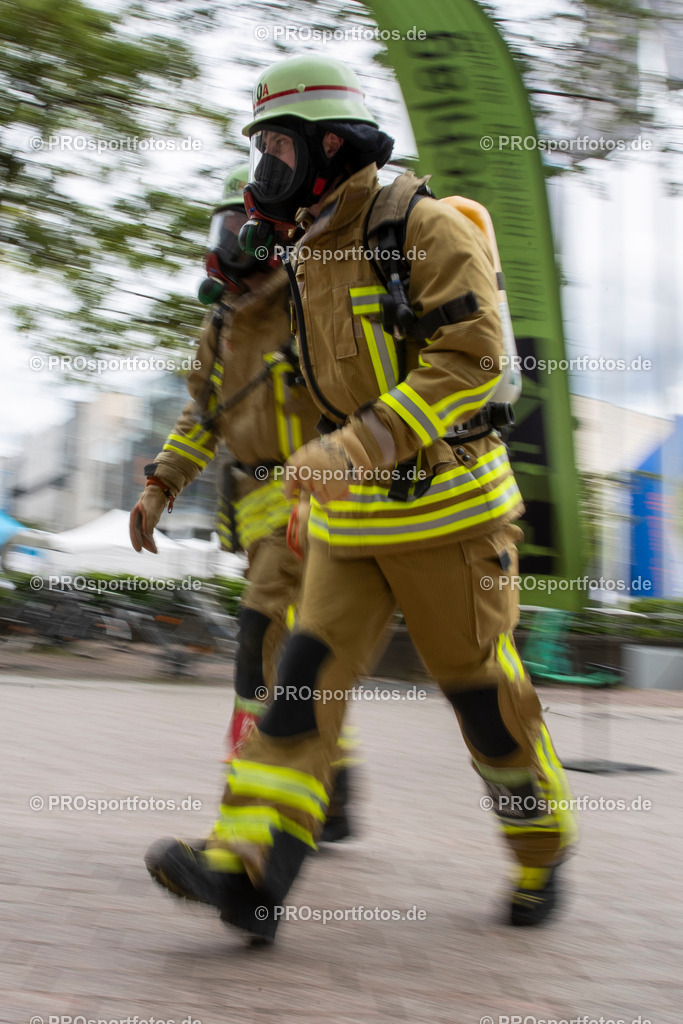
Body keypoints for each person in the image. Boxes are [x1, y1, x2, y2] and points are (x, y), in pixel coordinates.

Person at [146, 56, 577, 945]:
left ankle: (539, 847)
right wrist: (190, 479)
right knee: (298, 690)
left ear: (329, 144)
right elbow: (302, 391)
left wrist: (356, 446)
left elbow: (473, 359)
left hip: (451, 514)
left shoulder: (422, 226)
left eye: (275, 145)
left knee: (480, 698)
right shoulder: (305, 253)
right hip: (350, 522)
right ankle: (247, 868)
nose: (265, 167)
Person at [129, 166, 355, 858]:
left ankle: (251, 811)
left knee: (259, 645)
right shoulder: (222, 324)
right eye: (222, 228)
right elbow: (200, 418)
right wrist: (160, 486)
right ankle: (333, 788)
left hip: (318, 502)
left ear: (276, 233)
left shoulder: (313, 299)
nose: (229, 243)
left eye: (241, 228)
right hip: (262, 518)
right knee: (295, 655)